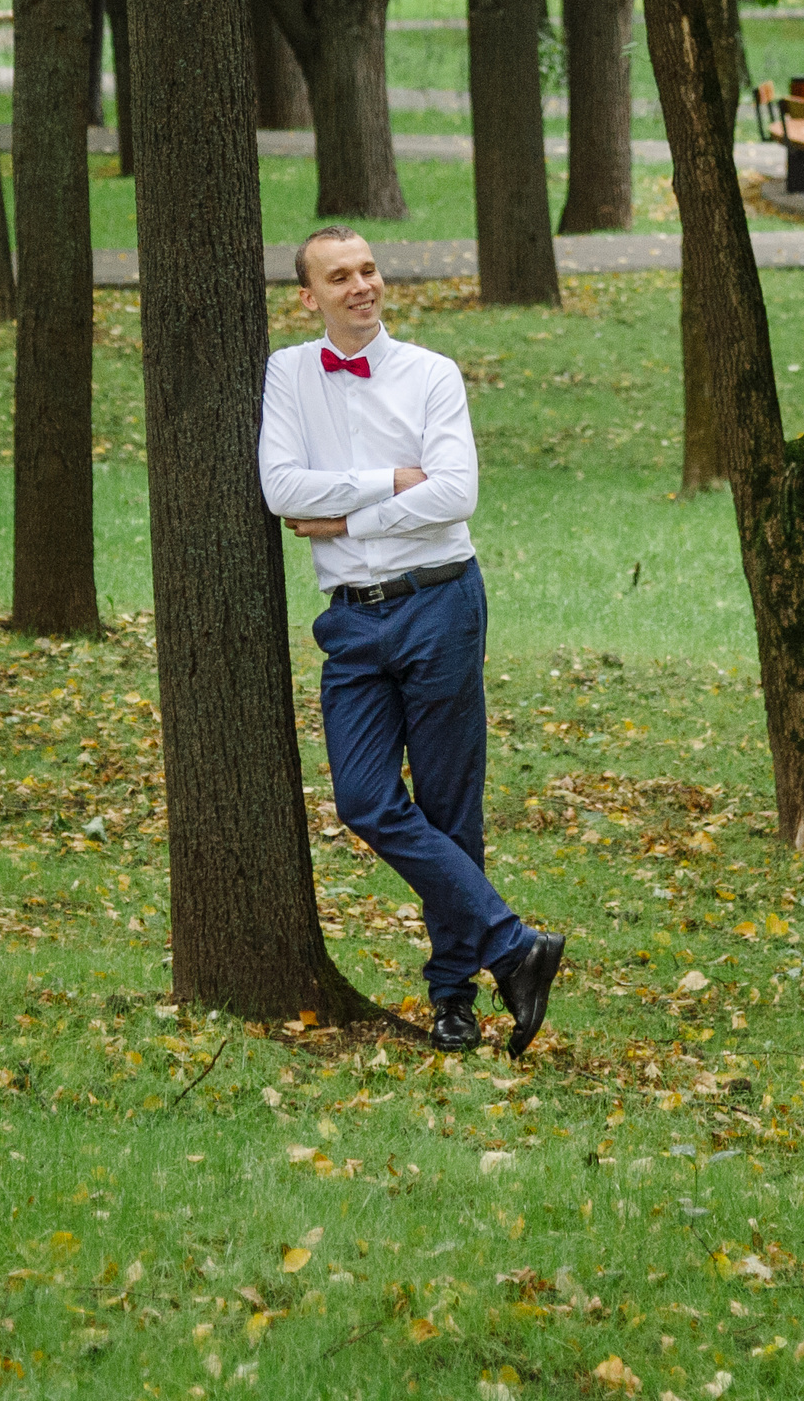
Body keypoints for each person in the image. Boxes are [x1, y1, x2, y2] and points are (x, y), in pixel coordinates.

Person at [258, 225, 567, 1057]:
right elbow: (281, 486)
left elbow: (457, 492)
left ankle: (453, 1000)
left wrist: (348, 513)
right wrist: (395, 480)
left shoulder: (432, 374)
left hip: (440, 604)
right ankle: (514, 947)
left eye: (368, 269)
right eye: (339, 276)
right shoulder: (288, 373)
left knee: (447, 803)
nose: (361, 286)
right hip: (352, 619)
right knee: (364, 798)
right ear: (308, 295)